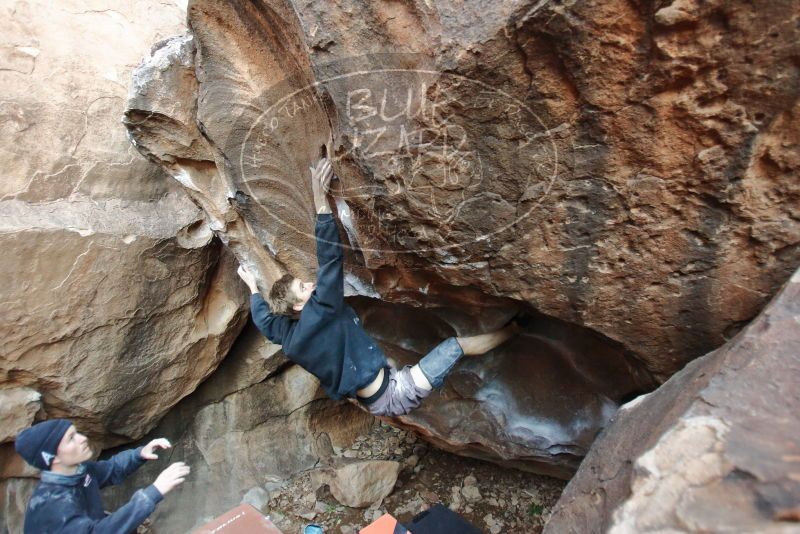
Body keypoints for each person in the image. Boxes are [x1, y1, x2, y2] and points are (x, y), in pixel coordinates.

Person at [237, 157, 517, 417]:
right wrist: (320, 202)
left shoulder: (289, 338)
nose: (310, 284)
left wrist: (253, 289)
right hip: (396, 393)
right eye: (303, 287)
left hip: (376, 398)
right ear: (299, 305)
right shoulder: (321, 310)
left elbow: (266, 323)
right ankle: (514, 331)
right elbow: (330, 260)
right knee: (454, 347)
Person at [14, 419, 190, 533]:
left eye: (76, 433)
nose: (82, 438)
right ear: (53, 457)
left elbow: (111, 469)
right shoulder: (53, 505)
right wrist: (153, 492)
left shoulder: (79, 471)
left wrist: (140, 454)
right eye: (71, 439)